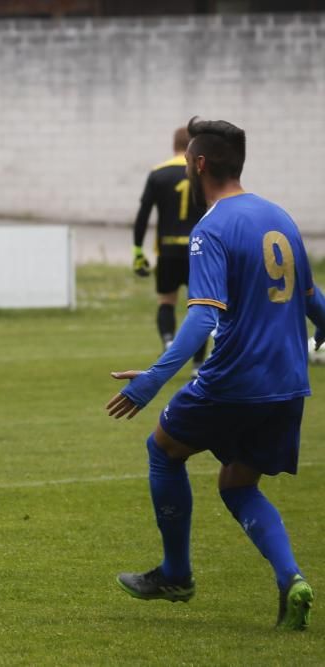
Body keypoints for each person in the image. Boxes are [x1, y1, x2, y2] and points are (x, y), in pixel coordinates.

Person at [106, 117, 323, 630]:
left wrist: (154, 379)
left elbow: (202, 314)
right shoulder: (281, 218)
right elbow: (312, 298)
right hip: (288, 386)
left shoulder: (212, 228)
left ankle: (176, 574)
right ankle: (292, 580)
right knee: (238, 483)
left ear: (198, 165)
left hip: (233, 381)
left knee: (163, 450)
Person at [132, 127, 207, 374]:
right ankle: (198, 364)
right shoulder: (201, 172)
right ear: (193, 146)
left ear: (173, 144)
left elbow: (143, 215)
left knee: (166, 301)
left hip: (168, 250)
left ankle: (168, 340)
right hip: (198, 250)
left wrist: (137, 250)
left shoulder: (158, 174)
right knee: (200, 306)